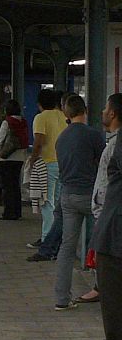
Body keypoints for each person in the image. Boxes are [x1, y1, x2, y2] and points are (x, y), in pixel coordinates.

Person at [52, 95, 105, 310]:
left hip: (68, 195)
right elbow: (104, 165)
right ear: (85, 110)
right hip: (91, 196)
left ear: (67, 114)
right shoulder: (93, 135)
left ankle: (61, 299)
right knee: (101, 243)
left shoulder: (61, 138)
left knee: (67, 247)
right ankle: (101, 288)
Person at [88, 95, 122, 340]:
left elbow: (101, 194)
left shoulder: (116, 145)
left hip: (114, 239)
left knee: (114, 313)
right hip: (112, 237)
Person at [81, 93, 122, 318]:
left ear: (113, 113)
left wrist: (101, 210)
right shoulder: (112, 143)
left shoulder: (116, 145)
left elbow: (109, 185)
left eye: (106, 108)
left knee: (112, 294)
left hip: (111, 219)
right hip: (109, 217)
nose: (102, 112)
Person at [28, 89, 66, 243]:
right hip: (62, 163)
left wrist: (32, 160)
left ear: (39, 104)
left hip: (47, 164)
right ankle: (56, 237)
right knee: (56, 203)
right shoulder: (63, 116)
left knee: (46, 202)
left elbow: (39, 141)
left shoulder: (41, 117)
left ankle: (46, 239)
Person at [0, 99, 29, 221]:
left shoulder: (7, 122)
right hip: (19, 158)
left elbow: (0, 139)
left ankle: (8, 212)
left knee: (7, 186)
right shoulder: (23, 122)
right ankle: (17, 211)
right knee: (15, 185)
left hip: (5, 158)